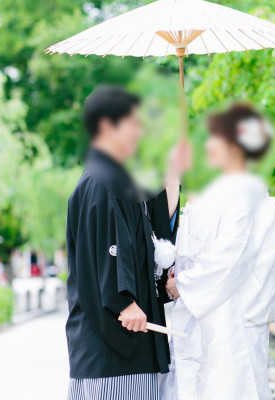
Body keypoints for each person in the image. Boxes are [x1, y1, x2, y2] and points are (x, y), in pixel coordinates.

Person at [65, 85, 190, 400]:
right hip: (114, 352)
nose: (140, 131)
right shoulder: (103, 181)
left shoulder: (116, 180)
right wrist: (125, 302)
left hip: (124, 348)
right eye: (133, 123)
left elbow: (146, 240)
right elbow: (106, 254)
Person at [157, 103, 275, 400]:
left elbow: (230, 257)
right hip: (207, 309)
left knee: (227, 386)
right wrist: (180, 265)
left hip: (228, 314)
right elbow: (196, 244)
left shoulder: (244, 191)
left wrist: (184, 284)